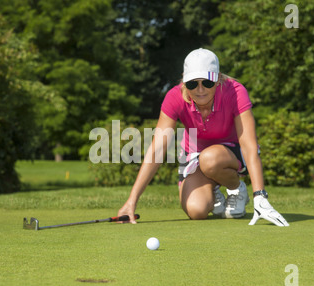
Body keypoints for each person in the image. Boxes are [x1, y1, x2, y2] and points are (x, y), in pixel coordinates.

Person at [117, 48, 289, 227]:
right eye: (192, 84)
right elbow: (157, 149)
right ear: (184, 81)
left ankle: (236, 188)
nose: (200, 90)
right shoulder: (174, 97)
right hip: (194, 156)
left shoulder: (235, 92)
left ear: (218, 78)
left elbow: (249, 145)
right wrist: (132, 201)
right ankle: (213, 187)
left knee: (210, 159)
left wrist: (259, 195)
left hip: (234, 154)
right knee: (196, 210)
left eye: (207, 82)